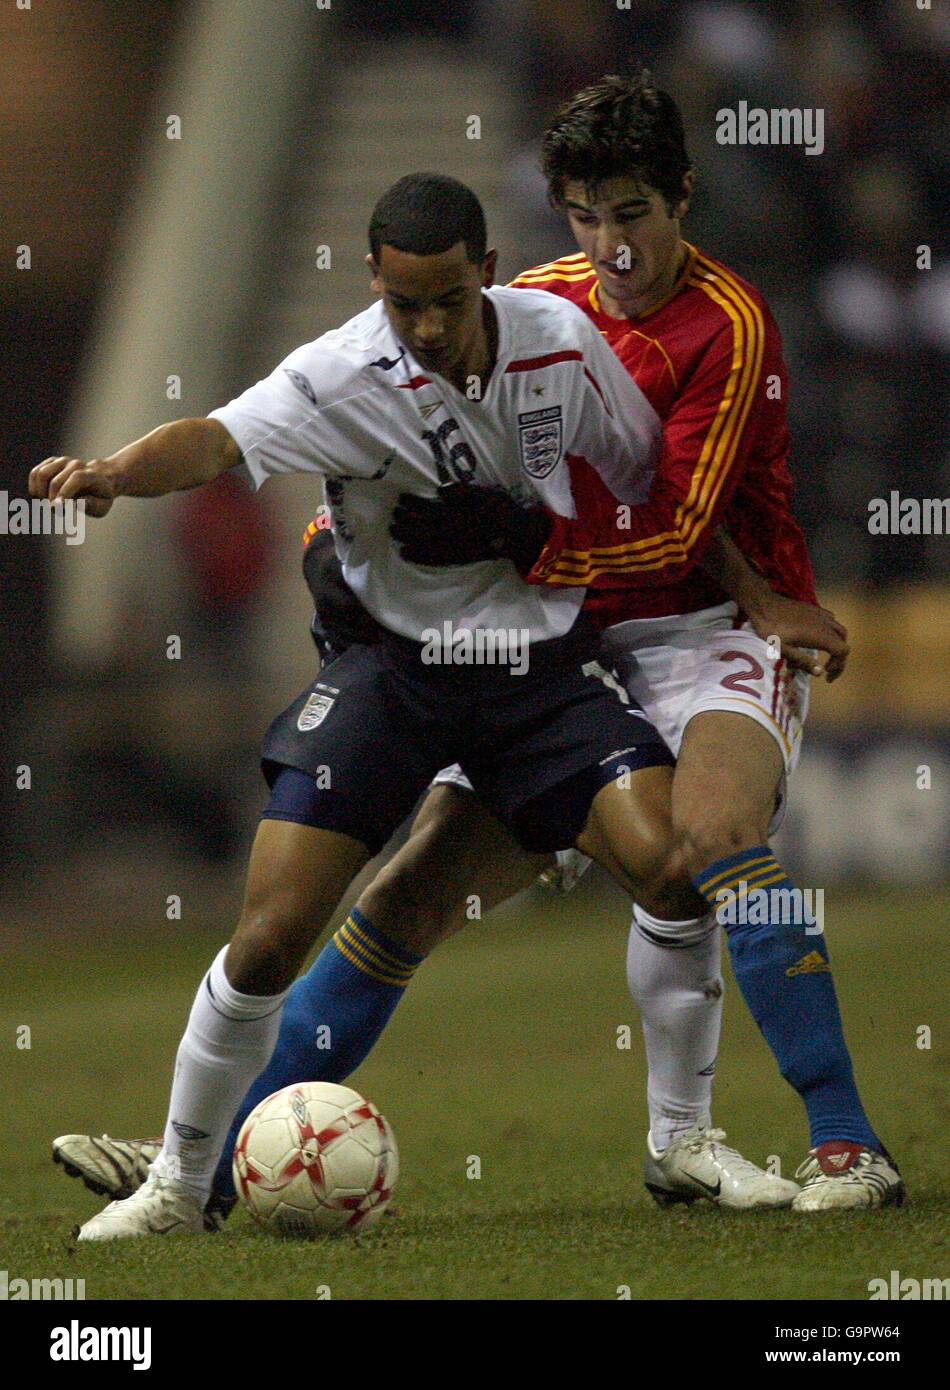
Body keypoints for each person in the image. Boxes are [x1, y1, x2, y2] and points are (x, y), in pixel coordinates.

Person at [35, 171, 775, 1241]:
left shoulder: (560, 343)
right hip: (394, 677)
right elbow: (214, 437)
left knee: (670, 867)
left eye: (446, 299)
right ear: (373, 284)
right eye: (402, 302)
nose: (426, 325)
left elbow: (650, 490)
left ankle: (681, 1143)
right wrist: (114, 470)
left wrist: (748, 594)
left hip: (541, 679)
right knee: (271, 934)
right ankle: (178, 1185)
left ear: (485, 272)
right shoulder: (336, 374)